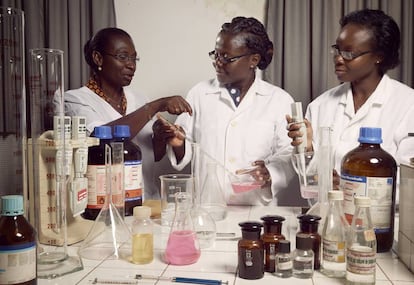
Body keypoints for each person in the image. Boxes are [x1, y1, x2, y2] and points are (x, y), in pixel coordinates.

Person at [153, 17, 303, 206]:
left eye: (226, 57)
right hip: (208, 207)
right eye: (215, 55)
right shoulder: (199, 93)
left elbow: (289, 152)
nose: (217, 62)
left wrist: (270, 172)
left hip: (257, 210)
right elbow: (186, 149)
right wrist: (178, 144)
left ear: (253, 60)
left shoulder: (279, 100)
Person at [287, 9, 414, 186]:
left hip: (382, 213)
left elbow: (409, 180)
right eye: (337, 49)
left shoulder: (408, 105)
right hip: (327, 212)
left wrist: (349, 186)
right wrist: (307, 148)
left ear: (378, 56)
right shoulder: (320, 105)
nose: (338, 59)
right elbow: (308, 176)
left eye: (349, 53)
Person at [64, 27, 192, 199]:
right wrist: (154, 106)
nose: (131, 65)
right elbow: (102, 142)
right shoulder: (74, 100)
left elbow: (151, 156)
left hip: (147, 203)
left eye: (134, 58)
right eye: (123, 57)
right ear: (98, 58)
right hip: (106, 206)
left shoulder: (139, 98)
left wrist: (161, 138)